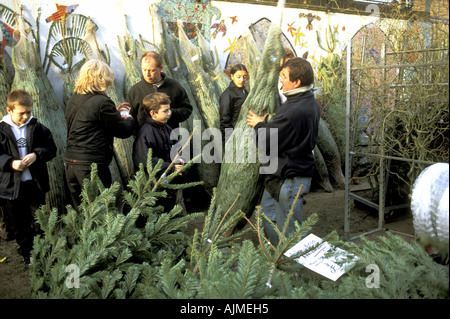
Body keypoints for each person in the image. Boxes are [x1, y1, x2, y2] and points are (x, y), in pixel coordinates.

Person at [246, 57, 320, 246]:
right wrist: (271, 124)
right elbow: (289, 132)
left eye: (284, 77)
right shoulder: (308, 100)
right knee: (267, 214)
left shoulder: (294, 110)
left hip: (290, 178)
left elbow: (267, 142)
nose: (281, 81)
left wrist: (259, 125)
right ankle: (277, 251)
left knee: (290, 232)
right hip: (281, 175)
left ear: (297, 82)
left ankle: (290, 268)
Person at [64, 59, 136, 209]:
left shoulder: (74, 99)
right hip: (91, 165)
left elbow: (89, 121)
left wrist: (113, 113)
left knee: (83, 213)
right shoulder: (102, 102)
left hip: (71, 163)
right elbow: (123, 131)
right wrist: (126, 115)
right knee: (102, 211)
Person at [0, 89, 57, 266]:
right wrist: (10, 163)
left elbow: (51, 148)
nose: (25, 116)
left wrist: (36, 155)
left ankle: (42, 249)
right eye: (21, 113)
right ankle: (27, 253)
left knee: (38, 218)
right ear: (9, 111)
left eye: (29, 112)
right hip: (11, 186)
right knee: (19, 222)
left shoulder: (37, 127)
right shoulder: (1, 130)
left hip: (34, 183)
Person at [132, 92, 185, 213]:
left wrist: (179, 160)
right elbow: (144, 160)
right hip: (152, 183)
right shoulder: (145, 132)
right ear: (153, 113)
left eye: (169, 109)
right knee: (156, 210)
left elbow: (177, 148)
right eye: (165, 111)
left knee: (168, 207)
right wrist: (170, 168)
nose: (169, 113)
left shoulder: (167, 128)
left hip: (167, 180)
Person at [126, 51, 193, 130]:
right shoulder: (135, 90)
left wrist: (170, 113)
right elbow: (130, 116)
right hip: (144, 140)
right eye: (144, 70)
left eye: (151, 70)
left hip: (171, 138)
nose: (147, 74)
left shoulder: (174, 86)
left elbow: (186, 109)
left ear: (160, 68)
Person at [219, 64, 249, 142]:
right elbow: (225, 121)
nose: (242, 80)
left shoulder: (244, 91)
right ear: (232, 76)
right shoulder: (227, 95)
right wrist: (230, 141)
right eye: (238, 77)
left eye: (244, 77)